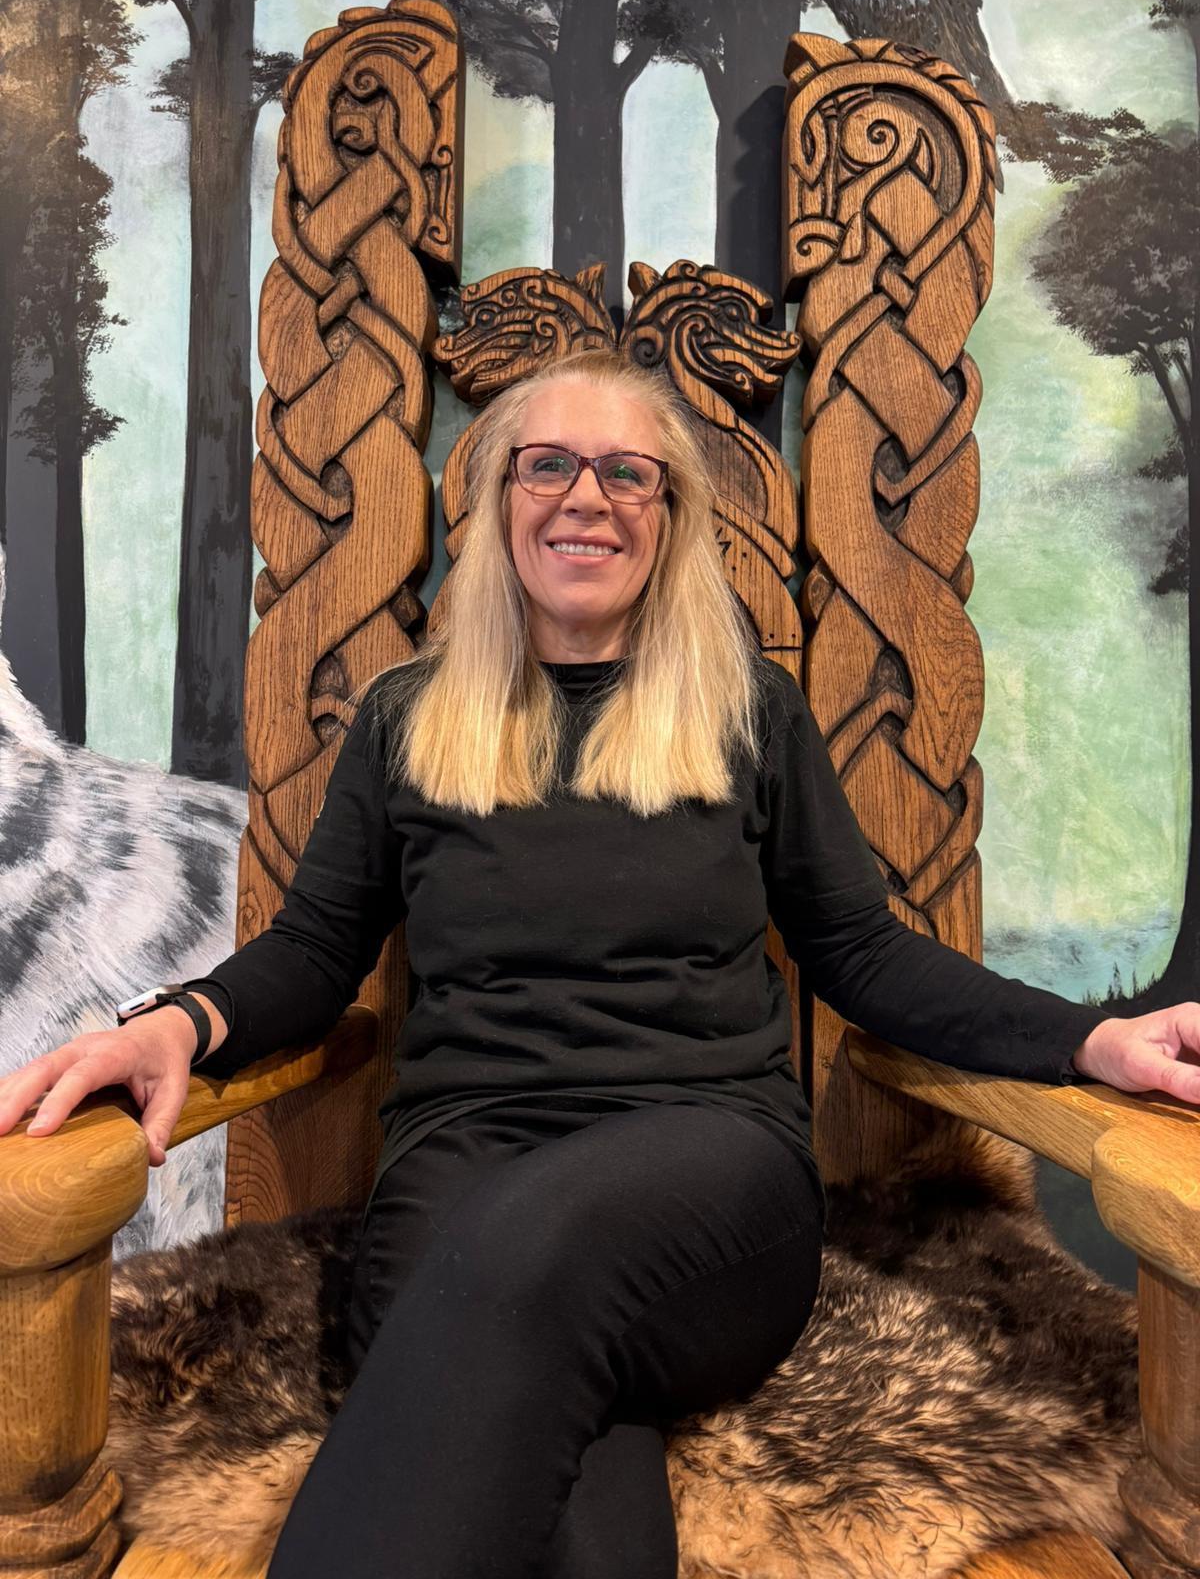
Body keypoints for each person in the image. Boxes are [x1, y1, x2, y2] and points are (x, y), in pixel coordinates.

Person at [2, 347, 1199, 1579]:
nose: (588, 496)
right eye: (550, 465)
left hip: (710, 1181)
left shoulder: (751, 713)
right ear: (499, 500)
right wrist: (175, 1022)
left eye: (629, 472)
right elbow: (313, 954)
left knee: (518, 1259)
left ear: (670, 516)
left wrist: (1089, 1038)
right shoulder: (406, 718)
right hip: (463, 1167)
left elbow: (865, 954)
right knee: (554, 1401)